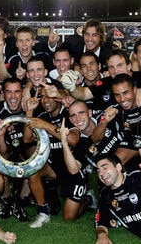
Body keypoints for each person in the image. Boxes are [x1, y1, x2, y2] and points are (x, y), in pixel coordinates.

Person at [23, 86, 83, 228]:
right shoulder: (43, 116)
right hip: (54, 167)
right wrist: (29, 112)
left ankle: (86, 199)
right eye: (42, 97)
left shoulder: (68, 113)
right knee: (33, 170)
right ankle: (43, 213)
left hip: (75, 168)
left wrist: (47, 126)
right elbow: (26, 139)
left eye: (49, 96)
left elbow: (74, 139)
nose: (45, 100)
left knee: (69, 217)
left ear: (57, 97)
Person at [0, 77, 33, 222]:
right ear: (3, 94)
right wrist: (1, 135)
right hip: (7, 151)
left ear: (23, 93)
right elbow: (1, 152)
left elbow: (33, 140)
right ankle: (7, 200)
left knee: (33, 160)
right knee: (1, 162)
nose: (13, 96)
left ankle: (20, 204)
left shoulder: (30, 107)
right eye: (9, 92)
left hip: (25, 150)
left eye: (17, 92)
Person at [48, 19, 115, 71]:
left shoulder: (110, 51)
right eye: (87, 34)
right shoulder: (72, 42)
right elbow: (55, 57)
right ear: (83, 35)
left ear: (100, 37)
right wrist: (52, 44)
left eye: (94, 35)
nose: (90, 39)